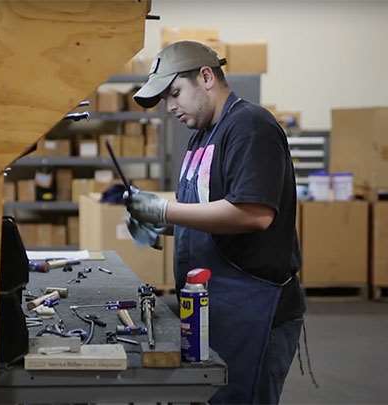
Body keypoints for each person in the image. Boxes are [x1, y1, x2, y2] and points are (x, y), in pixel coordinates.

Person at [127, 41, 307, 404]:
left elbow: (253, 213)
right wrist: (161, 224)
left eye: (175, 93)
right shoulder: (200, 138)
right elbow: (205, 212)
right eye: (165, 100)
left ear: (206, 77)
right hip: (214, 307)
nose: (170, 107)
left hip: (254, 309)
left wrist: (165, 210)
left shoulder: (250, 126)